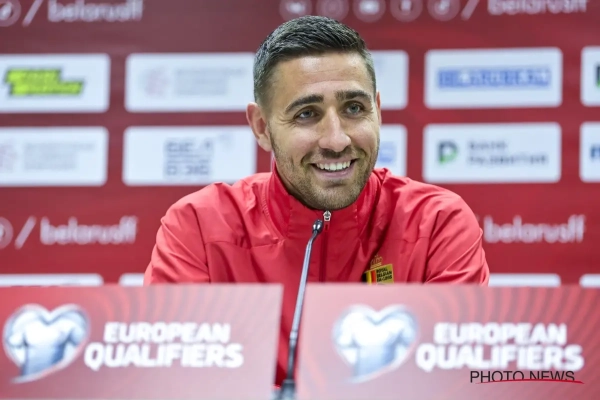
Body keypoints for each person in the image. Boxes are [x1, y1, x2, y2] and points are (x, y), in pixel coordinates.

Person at [144, 15, 489, 386]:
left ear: (377, 110)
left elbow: (452, 386)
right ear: (261, 127)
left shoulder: (437, 223)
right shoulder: (197, 226)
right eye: (306, 114)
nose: (336, 140)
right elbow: (174, 384)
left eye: (354, 108)